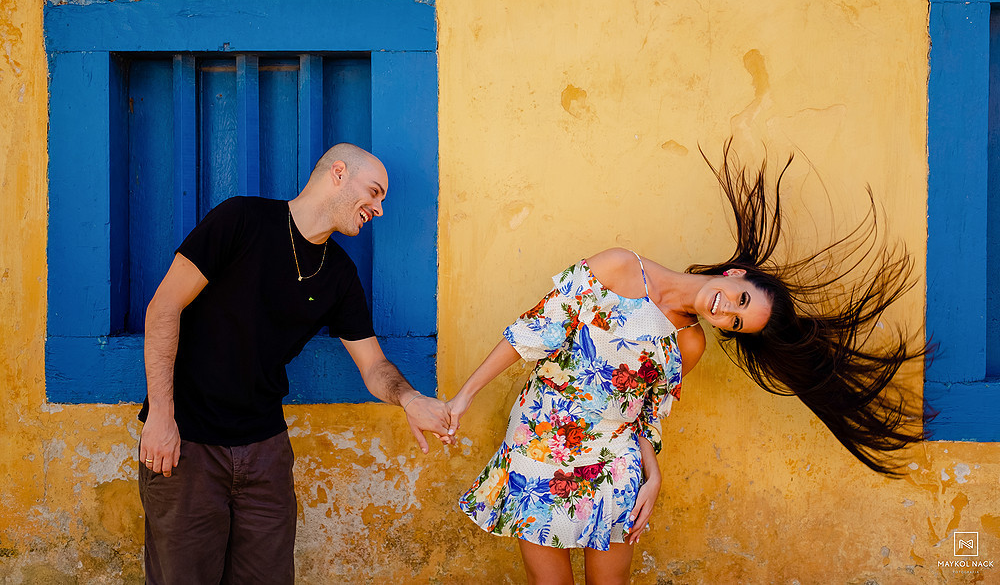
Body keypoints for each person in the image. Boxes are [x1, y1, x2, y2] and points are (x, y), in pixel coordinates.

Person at [446, 141, 928, 585]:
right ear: (735, 273)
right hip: (538, 442)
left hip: (614, 462)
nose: (727, 311)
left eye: (738, 322)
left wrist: (653, 475)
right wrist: (465, 396)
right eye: (741, 298)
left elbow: (644, 416)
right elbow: (531, 332)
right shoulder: (617, 267)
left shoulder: (689, 344)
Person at [137, 143, 452, 585]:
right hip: (187, 444)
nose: (378, 209)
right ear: (338, 173)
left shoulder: (339, 274)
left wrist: (409, 398)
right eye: (375, 192)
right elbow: (163, 308)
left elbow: (373, 364)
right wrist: (161, 418)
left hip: (265, 451)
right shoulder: (241, 220)